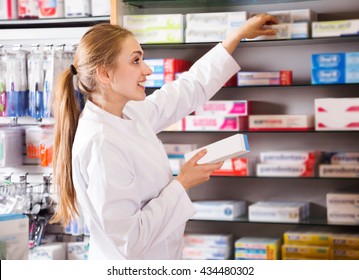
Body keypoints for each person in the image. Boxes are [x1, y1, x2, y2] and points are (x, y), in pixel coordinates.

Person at [50, 13, 278, 260]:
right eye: (136, 61)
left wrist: (237, 36)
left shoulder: (129, 114)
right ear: (105, 74)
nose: (146, 70)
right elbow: (130, 240)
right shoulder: (101, 143)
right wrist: (183, 183)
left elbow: (187, 89)